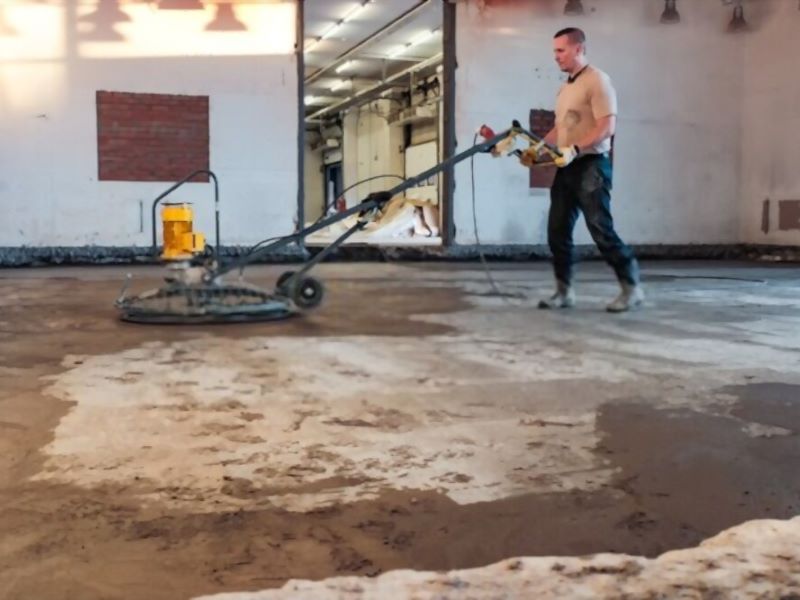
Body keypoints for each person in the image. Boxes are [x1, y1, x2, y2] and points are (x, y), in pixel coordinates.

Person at [521, 27, 644, 313]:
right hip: (567, 168)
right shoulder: (565, 88)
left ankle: (632, 288)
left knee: (601, 229)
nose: (556, 57)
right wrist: (537, 149)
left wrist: (576, 149)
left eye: (560, 50)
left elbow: (607, 128)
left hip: (591, 167)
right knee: (557, 231)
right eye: (554, 51)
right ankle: (564, 293)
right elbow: (560, 128)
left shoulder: (598, 81)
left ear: (578, 49)